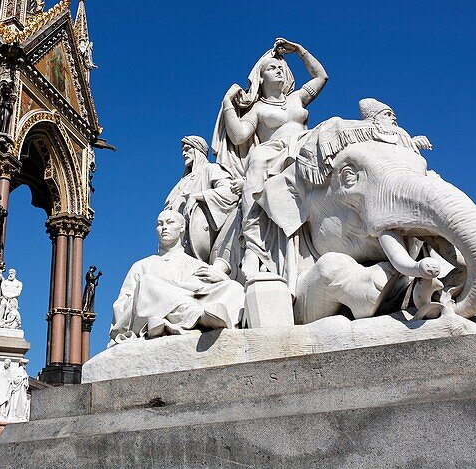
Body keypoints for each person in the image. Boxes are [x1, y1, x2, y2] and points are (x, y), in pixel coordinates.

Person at [213, 38, 328, 290]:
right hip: (273, 154)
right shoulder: (257, 110)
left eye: (280, 68)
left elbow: (321, 77)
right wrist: (227, 106)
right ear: (261, 78)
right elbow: (239, 136)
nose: (278, 70)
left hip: (304, 146)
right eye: (271, 68)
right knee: (257, 159)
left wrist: (299, 50)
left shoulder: (297, 98)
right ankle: (253, 244)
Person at [108, 210, 245, 345]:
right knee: (147, 283)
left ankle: (175, 320)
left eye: (170, 222)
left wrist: (221, 278)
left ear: (181, 228)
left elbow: (204, 292)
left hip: (194, 301)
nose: (164, 227)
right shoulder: (143, 265)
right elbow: (121, 307)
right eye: (160, 224)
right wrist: (156, 297)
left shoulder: (197, 264)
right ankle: (197, 316)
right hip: (151, 312)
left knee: (234, 287)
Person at [163, 135, 242, 268]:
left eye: (188, 149)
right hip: (176, 243)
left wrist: (198, 196)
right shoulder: (179, 184)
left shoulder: (211, 169)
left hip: (198, 242)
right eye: (182, 150)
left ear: (198, 150)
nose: (183, 153)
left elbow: (230, 192)